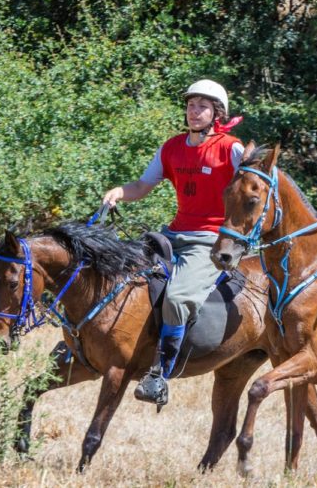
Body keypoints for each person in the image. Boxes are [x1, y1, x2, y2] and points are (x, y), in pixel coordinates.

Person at [102, 79, 243, 405]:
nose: (194, 111)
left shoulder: (231, 148)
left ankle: (159, 375)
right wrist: (120, 192)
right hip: (172, 234)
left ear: (217, 113)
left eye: (202, 106)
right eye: (191, 105)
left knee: (177, 299)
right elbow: (142, 184)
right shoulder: (172, 147)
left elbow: (255, 188)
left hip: (209, 240)